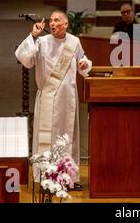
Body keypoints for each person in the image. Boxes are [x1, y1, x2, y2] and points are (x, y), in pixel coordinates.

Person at [15, 10, 92, 186]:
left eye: (57, 20)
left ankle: (67, 178)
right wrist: (33, 36)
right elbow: (24, 59)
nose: (53, 23)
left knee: (66, 138)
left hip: (67, 100)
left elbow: (84, 62)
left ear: (65, 24)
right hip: (47, 98)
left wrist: (84, 64)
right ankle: (45, 177)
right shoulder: (41, 42)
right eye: (51, 20)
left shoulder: (74, 42)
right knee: (47, 138)